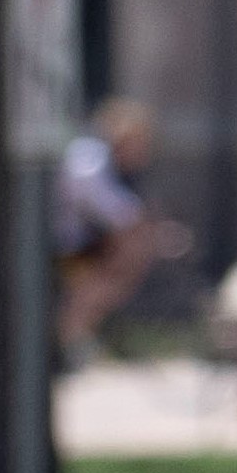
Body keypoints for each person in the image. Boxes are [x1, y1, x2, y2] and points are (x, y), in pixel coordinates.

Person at [52, 100, 189, 357]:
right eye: (138, 142)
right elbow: (117, 212)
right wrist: (147, 231)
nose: (142, 153)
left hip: (86, 252)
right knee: (99, 279)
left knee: (126, 258)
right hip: (66, 251)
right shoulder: (89, 158)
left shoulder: (121, 170)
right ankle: (65, 339)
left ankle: (74, 336)